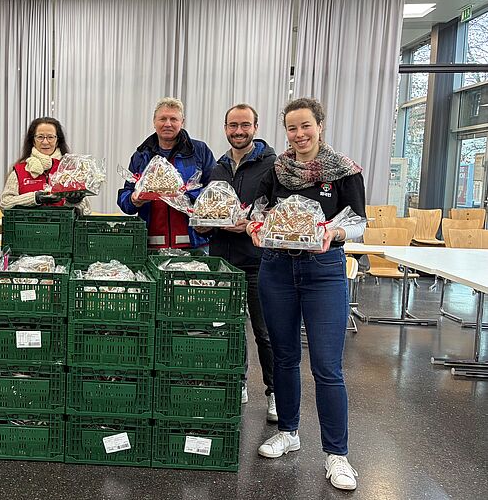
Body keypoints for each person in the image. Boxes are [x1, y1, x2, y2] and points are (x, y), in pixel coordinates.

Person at [248, 97, 366, 491]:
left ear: (320, 125)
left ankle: (337, 454)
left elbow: (359, 223)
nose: (299, 135)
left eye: (305, 126)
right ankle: (288, 431)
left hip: (324, 271)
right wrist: (255, 226)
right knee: (284, 356)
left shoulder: (344, 171)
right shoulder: (277, 170)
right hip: (277, 268)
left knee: (327, 366)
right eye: (292, 128)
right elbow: (259, 211)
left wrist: (334, 232)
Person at [195, 103, 276, 421]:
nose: (238, 131)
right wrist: (201, 223)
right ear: (225, 127)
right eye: (232, 125)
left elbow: (279, 212)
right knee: (228, 329)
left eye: (245, 125)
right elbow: (211, 209)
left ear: (256, 126)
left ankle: (274, 394)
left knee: (265, 332)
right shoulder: (218, 167)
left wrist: (252, 224)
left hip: (258, 261)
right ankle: (238, 382)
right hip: (221, 263)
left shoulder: (273, 165)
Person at [117, 97, 214, 249]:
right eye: (163, 118)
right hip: (152, 246)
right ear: (154, 122)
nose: (168, 124)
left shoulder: (199, 151)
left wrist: (186, 196)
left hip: (195, 245)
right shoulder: (141, 155)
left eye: (173, 119)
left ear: (182, 122)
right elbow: (125, 201)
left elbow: (213, 192)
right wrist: (133, 199)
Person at [0, 116, 91, 214]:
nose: (45, 142)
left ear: (57, 141)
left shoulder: (70, 170)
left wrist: (74, 202)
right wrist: (35, 198)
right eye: (40, 137)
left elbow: (87, 211)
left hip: (63, 227)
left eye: (50, 137)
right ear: (33, 141)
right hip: (27, 228)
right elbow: (4, 204)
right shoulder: (20, 170)